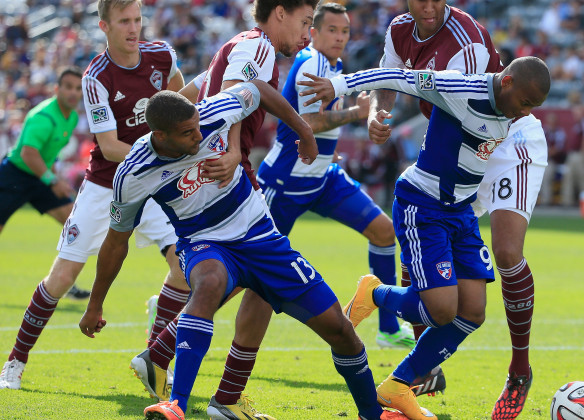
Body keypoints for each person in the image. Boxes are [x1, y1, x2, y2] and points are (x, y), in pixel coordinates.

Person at [78, 83, 412, 420]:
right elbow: (116, 242)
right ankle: (175, 404)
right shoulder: (133, 172)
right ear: (161, 136)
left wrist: (304, 130)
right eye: (187, 133)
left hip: (263, 239)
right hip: (203, 242)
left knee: (340, 330)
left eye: (197, 127)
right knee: (208, 282)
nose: (198, 135)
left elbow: (257, 89)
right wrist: (95, 304)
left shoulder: (212, 113)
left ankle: (372, 413)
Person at [298, 55, 550, 420]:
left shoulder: (513, 112)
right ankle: (375, 292)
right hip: (424, 207)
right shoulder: (458, 88)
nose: (526, 114)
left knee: (473, 312)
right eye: (526, 104)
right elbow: (396, 75)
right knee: (443, 310)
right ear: (507, 82)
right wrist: (339, 86)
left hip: (460, 213)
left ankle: (398, 385)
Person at [131, 1, 322, 417]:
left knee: (249, 279)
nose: (309, 34)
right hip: (233, 175)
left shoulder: (238, 44)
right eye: (306, 23)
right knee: (264, 279)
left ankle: (163, 355)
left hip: (229, 170)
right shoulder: (260, 45)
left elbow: (199, 89)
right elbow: (242, 90)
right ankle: (222, 397)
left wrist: (150, 127)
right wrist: (236, 148)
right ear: (281, 13)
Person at [368, 2, 548, 417]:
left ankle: (519, 371)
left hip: (505, 130)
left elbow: (469, 100)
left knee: (505, 253)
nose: (427, 7)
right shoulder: (399, 31)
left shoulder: (466, 41)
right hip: (458, 137)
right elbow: (389, 77)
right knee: (426, 234)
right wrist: (379, 111)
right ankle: (418, 370)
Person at [0, 0, 189, 391]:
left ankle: (155, 359)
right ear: (104, 25)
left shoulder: (163, 56)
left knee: (185, 269)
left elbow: (183, 105)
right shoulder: (96, 76)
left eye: (138, 20)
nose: (134, 29)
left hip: (153, 181)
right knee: (63, 277)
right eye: (124, 22)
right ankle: (15, 362)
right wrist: (172, 151)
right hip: (107, 184)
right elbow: (110, 145)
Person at [257, 2, 413, 351]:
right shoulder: (312, 62)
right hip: (286, 181)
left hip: (321, 176)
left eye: (345, 31)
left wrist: (333, 145)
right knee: (246, 269)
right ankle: (172, 320)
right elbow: (307, 124)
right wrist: (357, 113)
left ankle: (388, 328)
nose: (340, 37)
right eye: (332, 30)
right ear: (313, 32)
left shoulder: (334, 66)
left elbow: (319, 124)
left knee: (384, 231)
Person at [0, 66, 91, 300]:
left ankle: (62, 281)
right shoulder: (44, 116)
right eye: (68, 87)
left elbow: (46, 155)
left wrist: (55, 180)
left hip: (39, 177)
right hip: (15, 176)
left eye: (76, 88)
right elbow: (29, 154)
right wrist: (52, 180)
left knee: (74, 221)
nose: (73, 93)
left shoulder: (70, 117)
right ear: (56, 89)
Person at [560, 105, 584, 207]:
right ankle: (567, 201)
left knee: (582, 178)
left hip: (579, 154)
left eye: (577, 113)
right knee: (569, 177)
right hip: (573, 154)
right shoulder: (578, 124)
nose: (575, 115)